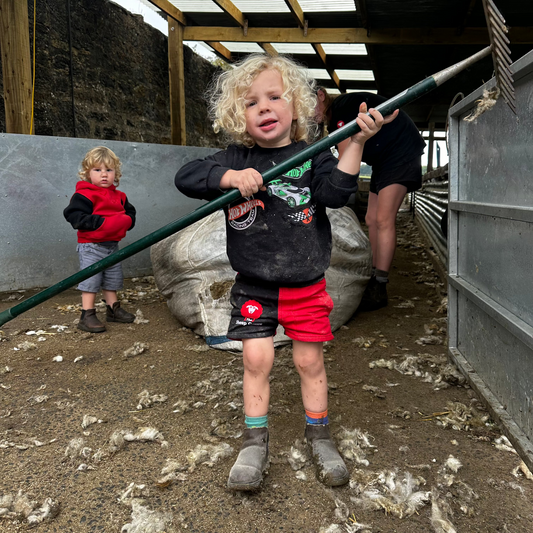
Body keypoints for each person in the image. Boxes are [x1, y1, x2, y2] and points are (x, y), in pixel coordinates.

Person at [175, 54, 396, 491]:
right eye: (252, 102)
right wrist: (230, 176)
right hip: (254, 284)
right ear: (239, 114)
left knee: (308, 359)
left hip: (305, 284)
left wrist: (355, 145)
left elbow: (335, 195)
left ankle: (320, 434)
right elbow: (187, 176)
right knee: (256, 359)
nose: (265, 107)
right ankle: (254, 441)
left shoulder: (311, 156)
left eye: (275, 97)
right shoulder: (235, 157)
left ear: (295, 106)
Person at [316, 89, 425, 310]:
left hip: (400, 153)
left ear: (320, 95)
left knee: (384, 219)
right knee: (371, 218)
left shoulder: (342, 107)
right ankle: (373, 272)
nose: (307, 114)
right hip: (384, 160)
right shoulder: (335, 115)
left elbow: (346, 156)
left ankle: (379, 286)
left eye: (308, 106)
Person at [64, 146, 136, 333]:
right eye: (97, 170)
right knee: (91, 280)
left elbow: (130, 213)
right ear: (88, 173)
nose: (104, 175)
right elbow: (74, 216)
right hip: (91, 245)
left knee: (113, 278)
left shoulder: (120, 197)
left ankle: (113, 309)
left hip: (112, 245)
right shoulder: (84, 195)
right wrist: (101, 223)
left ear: (116, 173)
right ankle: (86, 314)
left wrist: (126, 221)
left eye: (109, 170)